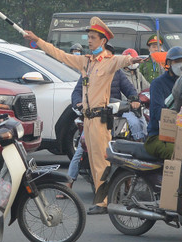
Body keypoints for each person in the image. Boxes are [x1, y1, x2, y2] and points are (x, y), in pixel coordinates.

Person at [23, 17, 138, 214]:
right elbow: (58, 54)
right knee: (93, 162)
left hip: (101, 120)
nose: (89, 40)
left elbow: (123, 60)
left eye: (93, 37)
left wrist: (132, 59)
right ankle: (105, 198)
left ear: (103, 41)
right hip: (88, 120)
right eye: (89, 37)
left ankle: (104, 202)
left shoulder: (109, 63)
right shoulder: (86, 63)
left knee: (101, 161)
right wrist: (38, 40)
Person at [144, 46, 182, 160]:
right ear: (169, 63)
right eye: (177, 61)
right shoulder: (158, 84)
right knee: (176, 154)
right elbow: (156, 112)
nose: (181, 65)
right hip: (158, 136)